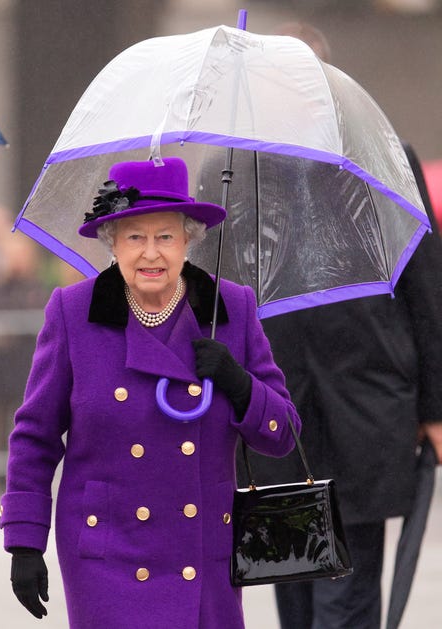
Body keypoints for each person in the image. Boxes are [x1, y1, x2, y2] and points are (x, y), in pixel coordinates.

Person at [0, 156, 301, 629]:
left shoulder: (232, 310)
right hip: (107, 559)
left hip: (200, 552)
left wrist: (239, 384)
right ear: (112, 244)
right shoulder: (73, 313)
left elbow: (282, 435)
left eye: (165, 237)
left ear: (188, 241)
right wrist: (24, 540)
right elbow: (34, 436)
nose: (151, 253)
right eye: (135, 237)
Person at [236, 22, 442, 629]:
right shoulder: (231, 173)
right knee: (297, 600)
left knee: (346, 603)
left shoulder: (383, 158)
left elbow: (425, 289)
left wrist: (434, 407)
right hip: (277, 421)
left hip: (366, 414)